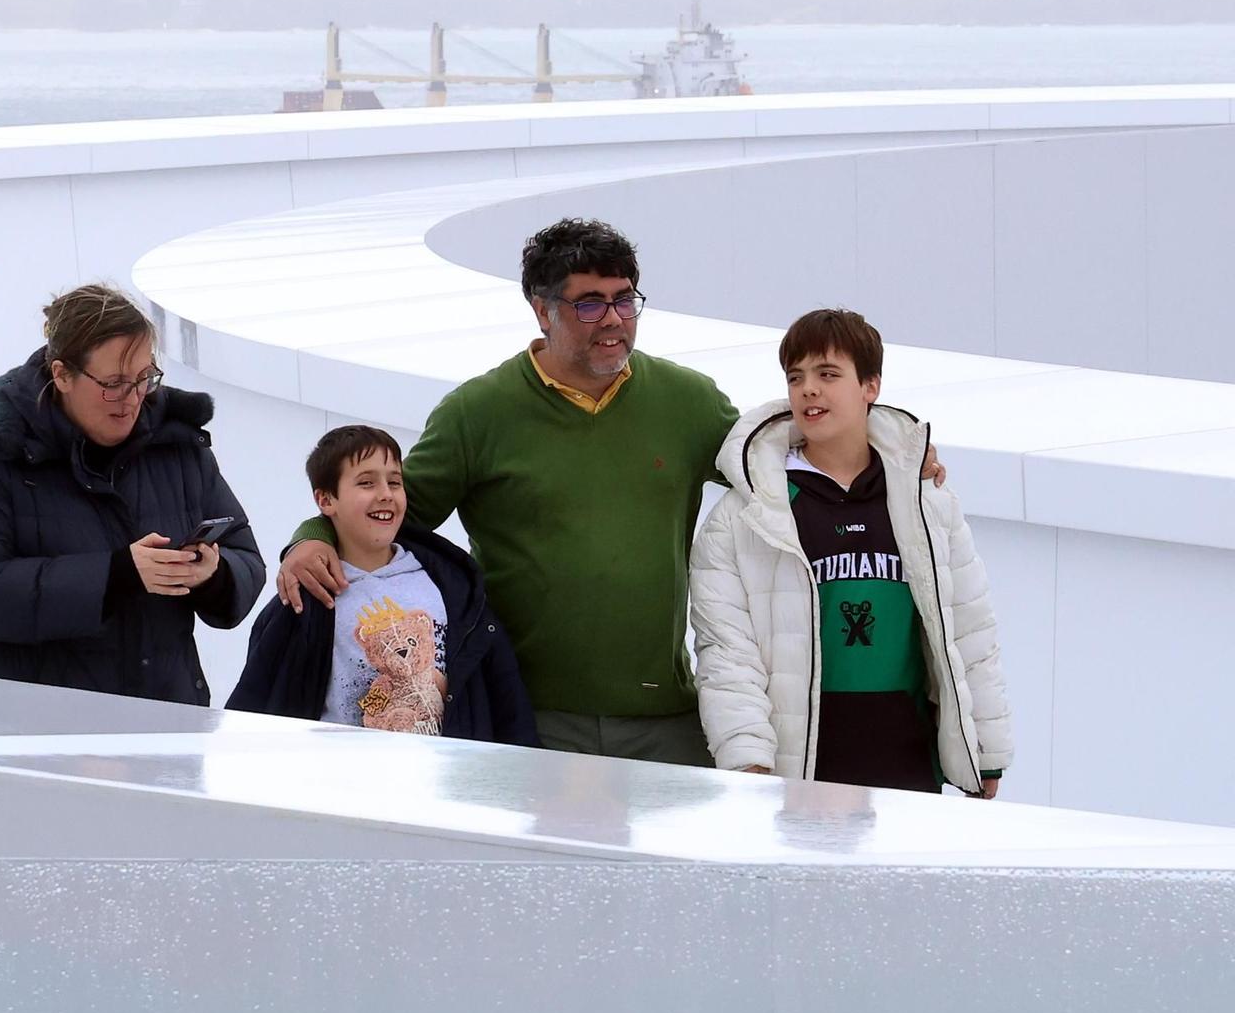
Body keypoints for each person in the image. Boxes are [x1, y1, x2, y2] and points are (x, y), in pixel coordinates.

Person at [278, 217, 945, 766]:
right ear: (541, 310)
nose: (613, 320)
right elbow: (392, 515)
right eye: (589, 303)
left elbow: (783, 459)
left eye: (625, 300)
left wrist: (895, 446)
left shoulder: (685, 401)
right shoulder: (478, 413)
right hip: (532, 719)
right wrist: (309, 539)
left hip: (665, 719)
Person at [688, 309, 1011, 795]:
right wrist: (746, 758)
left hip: (907, 765)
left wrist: (985, 754)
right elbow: (728, 653)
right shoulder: (745, 515)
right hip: (797, 770)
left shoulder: (926, 502)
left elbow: (970, 631)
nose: (808, 390)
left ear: (870, 386)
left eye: (828, 374)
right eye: (796, 377)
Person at [0, 283, 265, 704]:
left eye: (144, 379)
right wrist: (116, 576)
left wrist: (211, 574)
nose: (131, 400)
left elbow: (245, 557)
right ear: (62, 375)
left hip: (164, 722)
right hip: (37, 731)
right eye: (113, 383)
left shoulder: (180, 450)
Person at [229, 425, 537, 744]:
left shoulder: (454, 587)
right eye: (366, 483)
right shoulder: (303, 597)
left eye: (394, 482)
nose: (385, 494)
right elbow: (257, 700)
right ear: (325, 499)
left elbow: (504, 694)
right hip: (341, 782)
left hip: (446, 781)